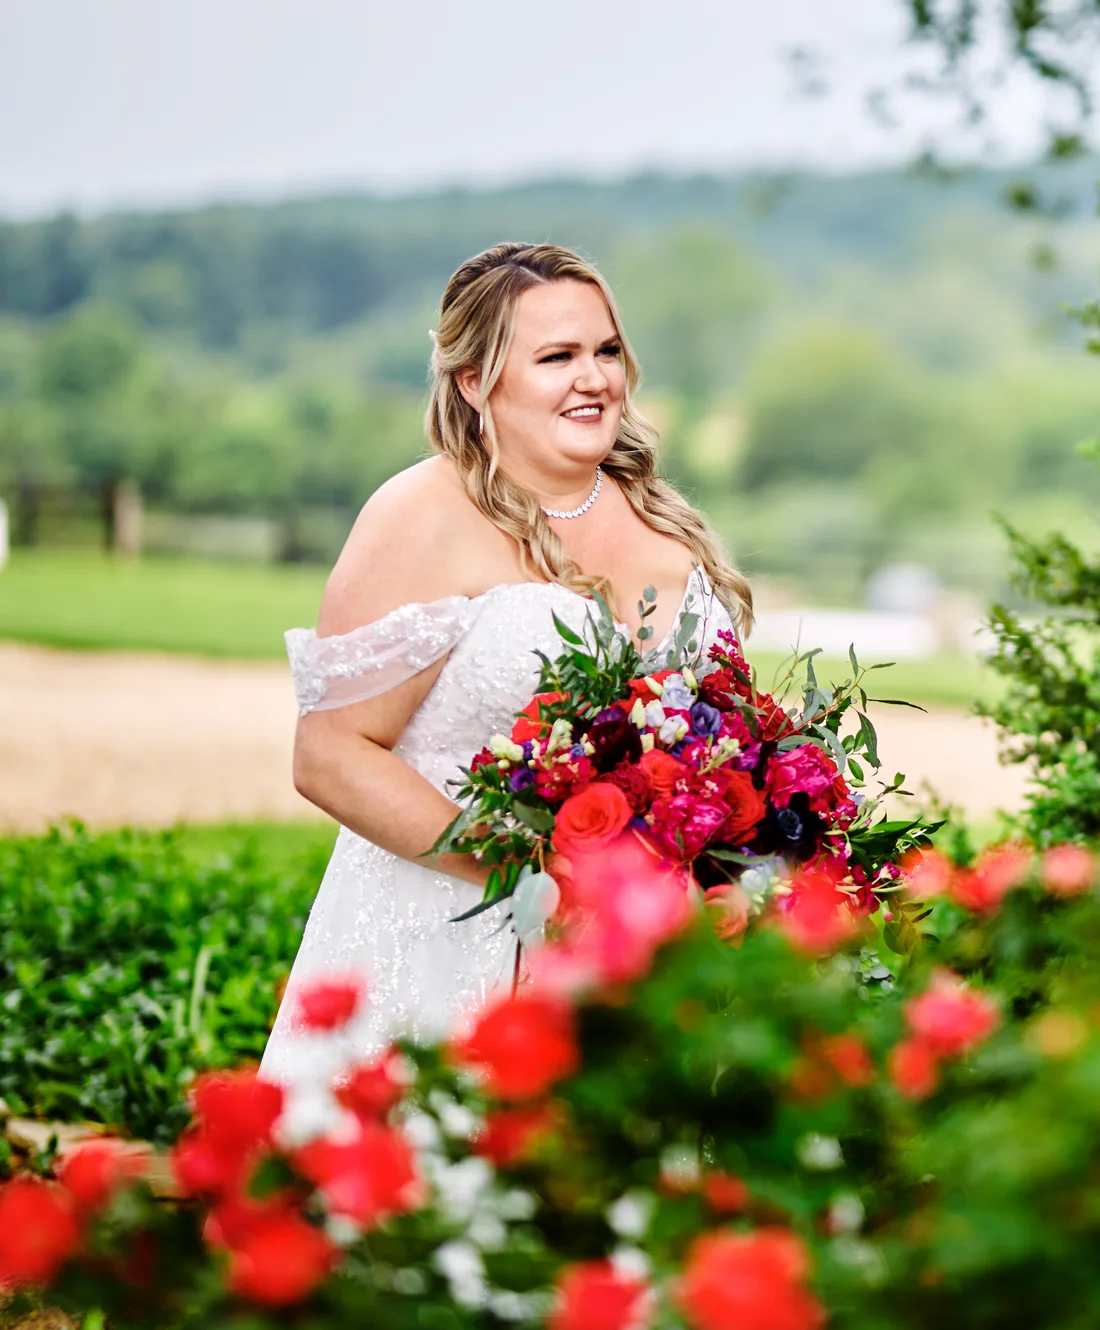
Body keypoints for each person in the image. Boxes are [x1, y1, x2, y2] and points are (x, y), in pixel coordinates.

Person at [262, 243, 752, 1088]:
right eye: (556, 356)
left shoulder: (667, 524)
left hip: (637, 973)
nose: (592, 378)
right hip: (441, 942)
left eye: (604, 351)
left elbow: (716, 754)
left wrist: (726, 872)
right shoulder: (422, 512)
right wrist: (534, 875)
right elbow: (331, 754)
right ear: (473, 381)